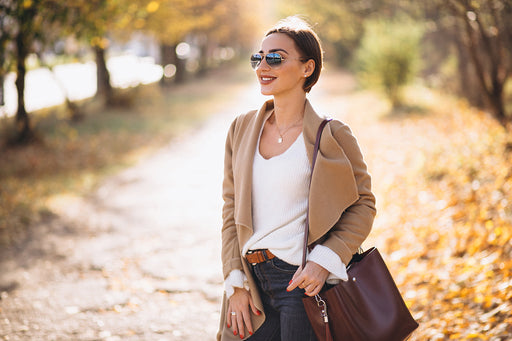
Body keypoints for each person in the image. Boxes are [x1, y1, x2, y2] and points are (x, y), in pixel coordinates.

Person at [217, 16, 376, 341]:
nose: (263, 65)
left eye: (275, 57)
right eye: (258, 57)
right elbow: (230, 209)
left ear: (307, 68)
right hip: (251, 281)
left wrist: (325, 260)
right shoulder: (241, 128)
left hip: (302, 282)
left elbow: (364, 204)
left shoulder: (332, 134)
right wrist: (235, 279)